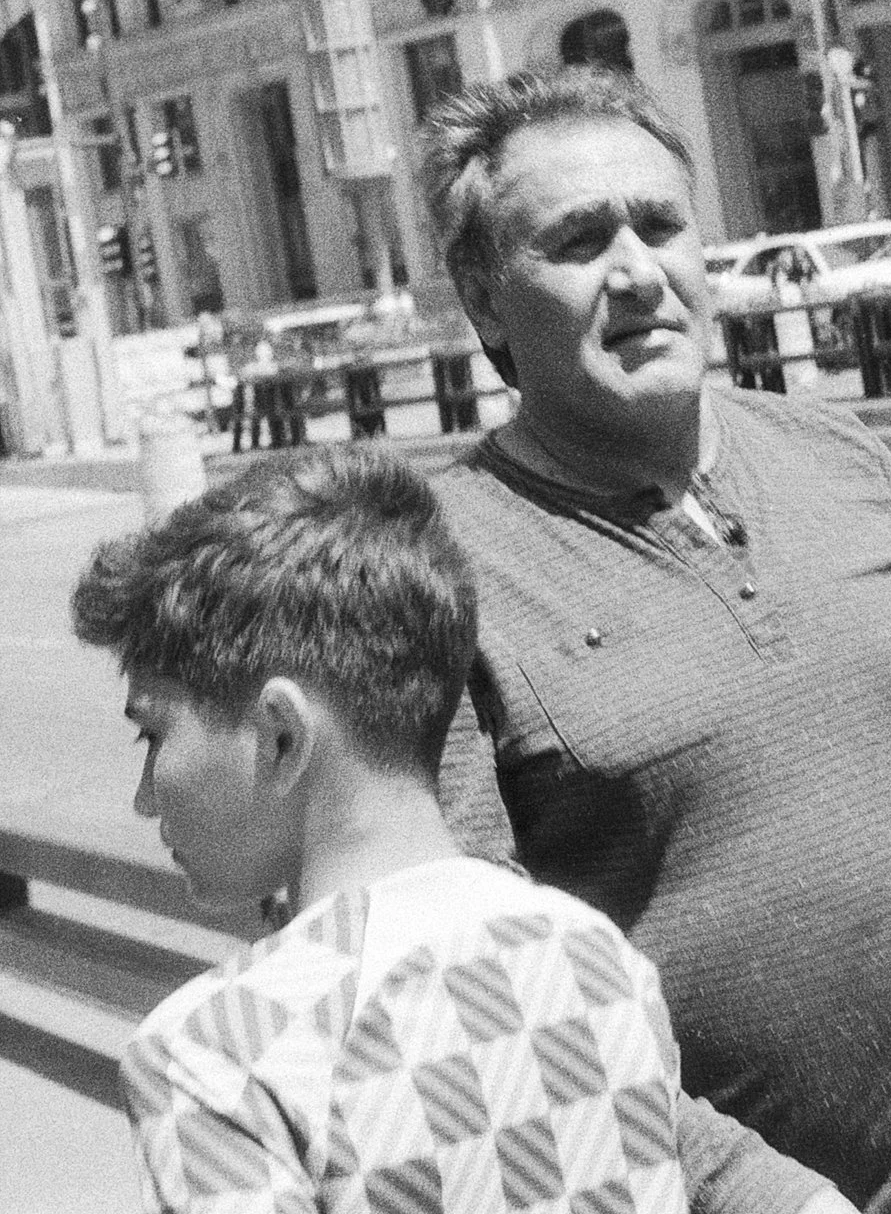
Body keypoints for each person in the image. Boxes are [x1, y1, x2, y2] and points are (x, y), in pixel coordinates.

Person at [415, 69, 891, 1214]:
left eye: (660, 224)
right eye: (578, 241)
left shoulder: (841, 457)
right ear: (483, 299)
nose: (638, 271)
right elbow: (498, 997)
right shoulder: (440, 572)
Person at [81, 449, 834, 1212]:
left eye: (153, 734)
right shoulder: (596, 959)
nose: (144, 798)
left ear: (281, 736)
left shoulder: (219, 1056)